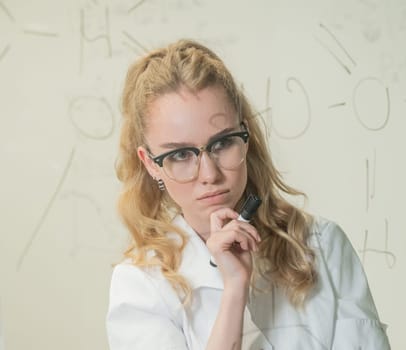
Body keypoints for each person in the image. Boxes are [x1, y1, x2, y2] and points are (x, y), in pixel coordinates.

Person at [106, 38, 390, 350]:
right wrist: (234, 290)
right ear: (151, 164)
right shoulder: (140, 285)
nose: (209, 175)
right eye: (181, 155)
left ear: (245, 137)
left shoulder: (322, 245)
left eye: (222, 143)